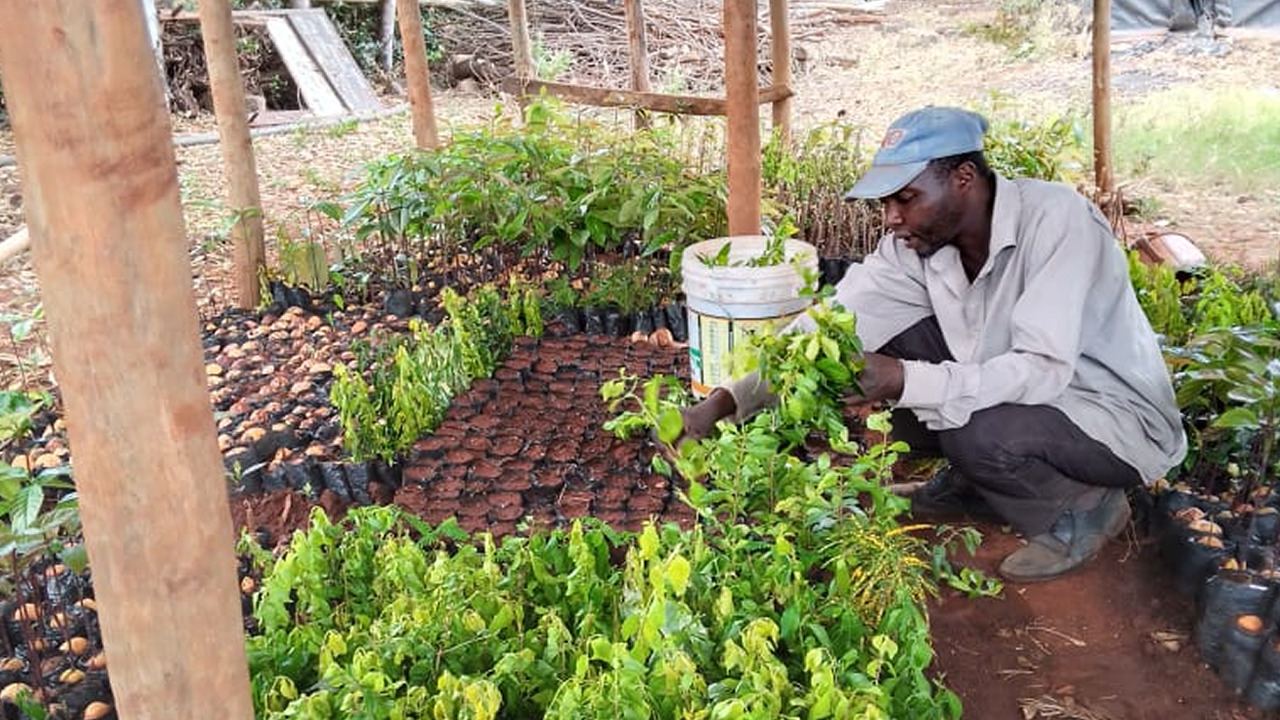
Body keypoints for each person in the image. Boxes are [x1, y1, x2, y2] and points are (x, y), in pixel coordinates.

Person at [679, 106, 1187, 582]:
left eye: (907, 198)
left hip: (1106, 415)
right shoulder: (918, 247)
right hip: (1018, 391)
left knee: (970, 426)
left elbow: (1042, 370)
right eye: (886, 203)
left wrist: (904, 379)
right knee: (856, 357)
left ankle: (1084, 509)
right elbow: (830, 325)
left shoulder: (1058, 223)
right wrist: (722, 405)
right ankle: (977, 485)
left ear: (963, 179)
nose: (891, 218)